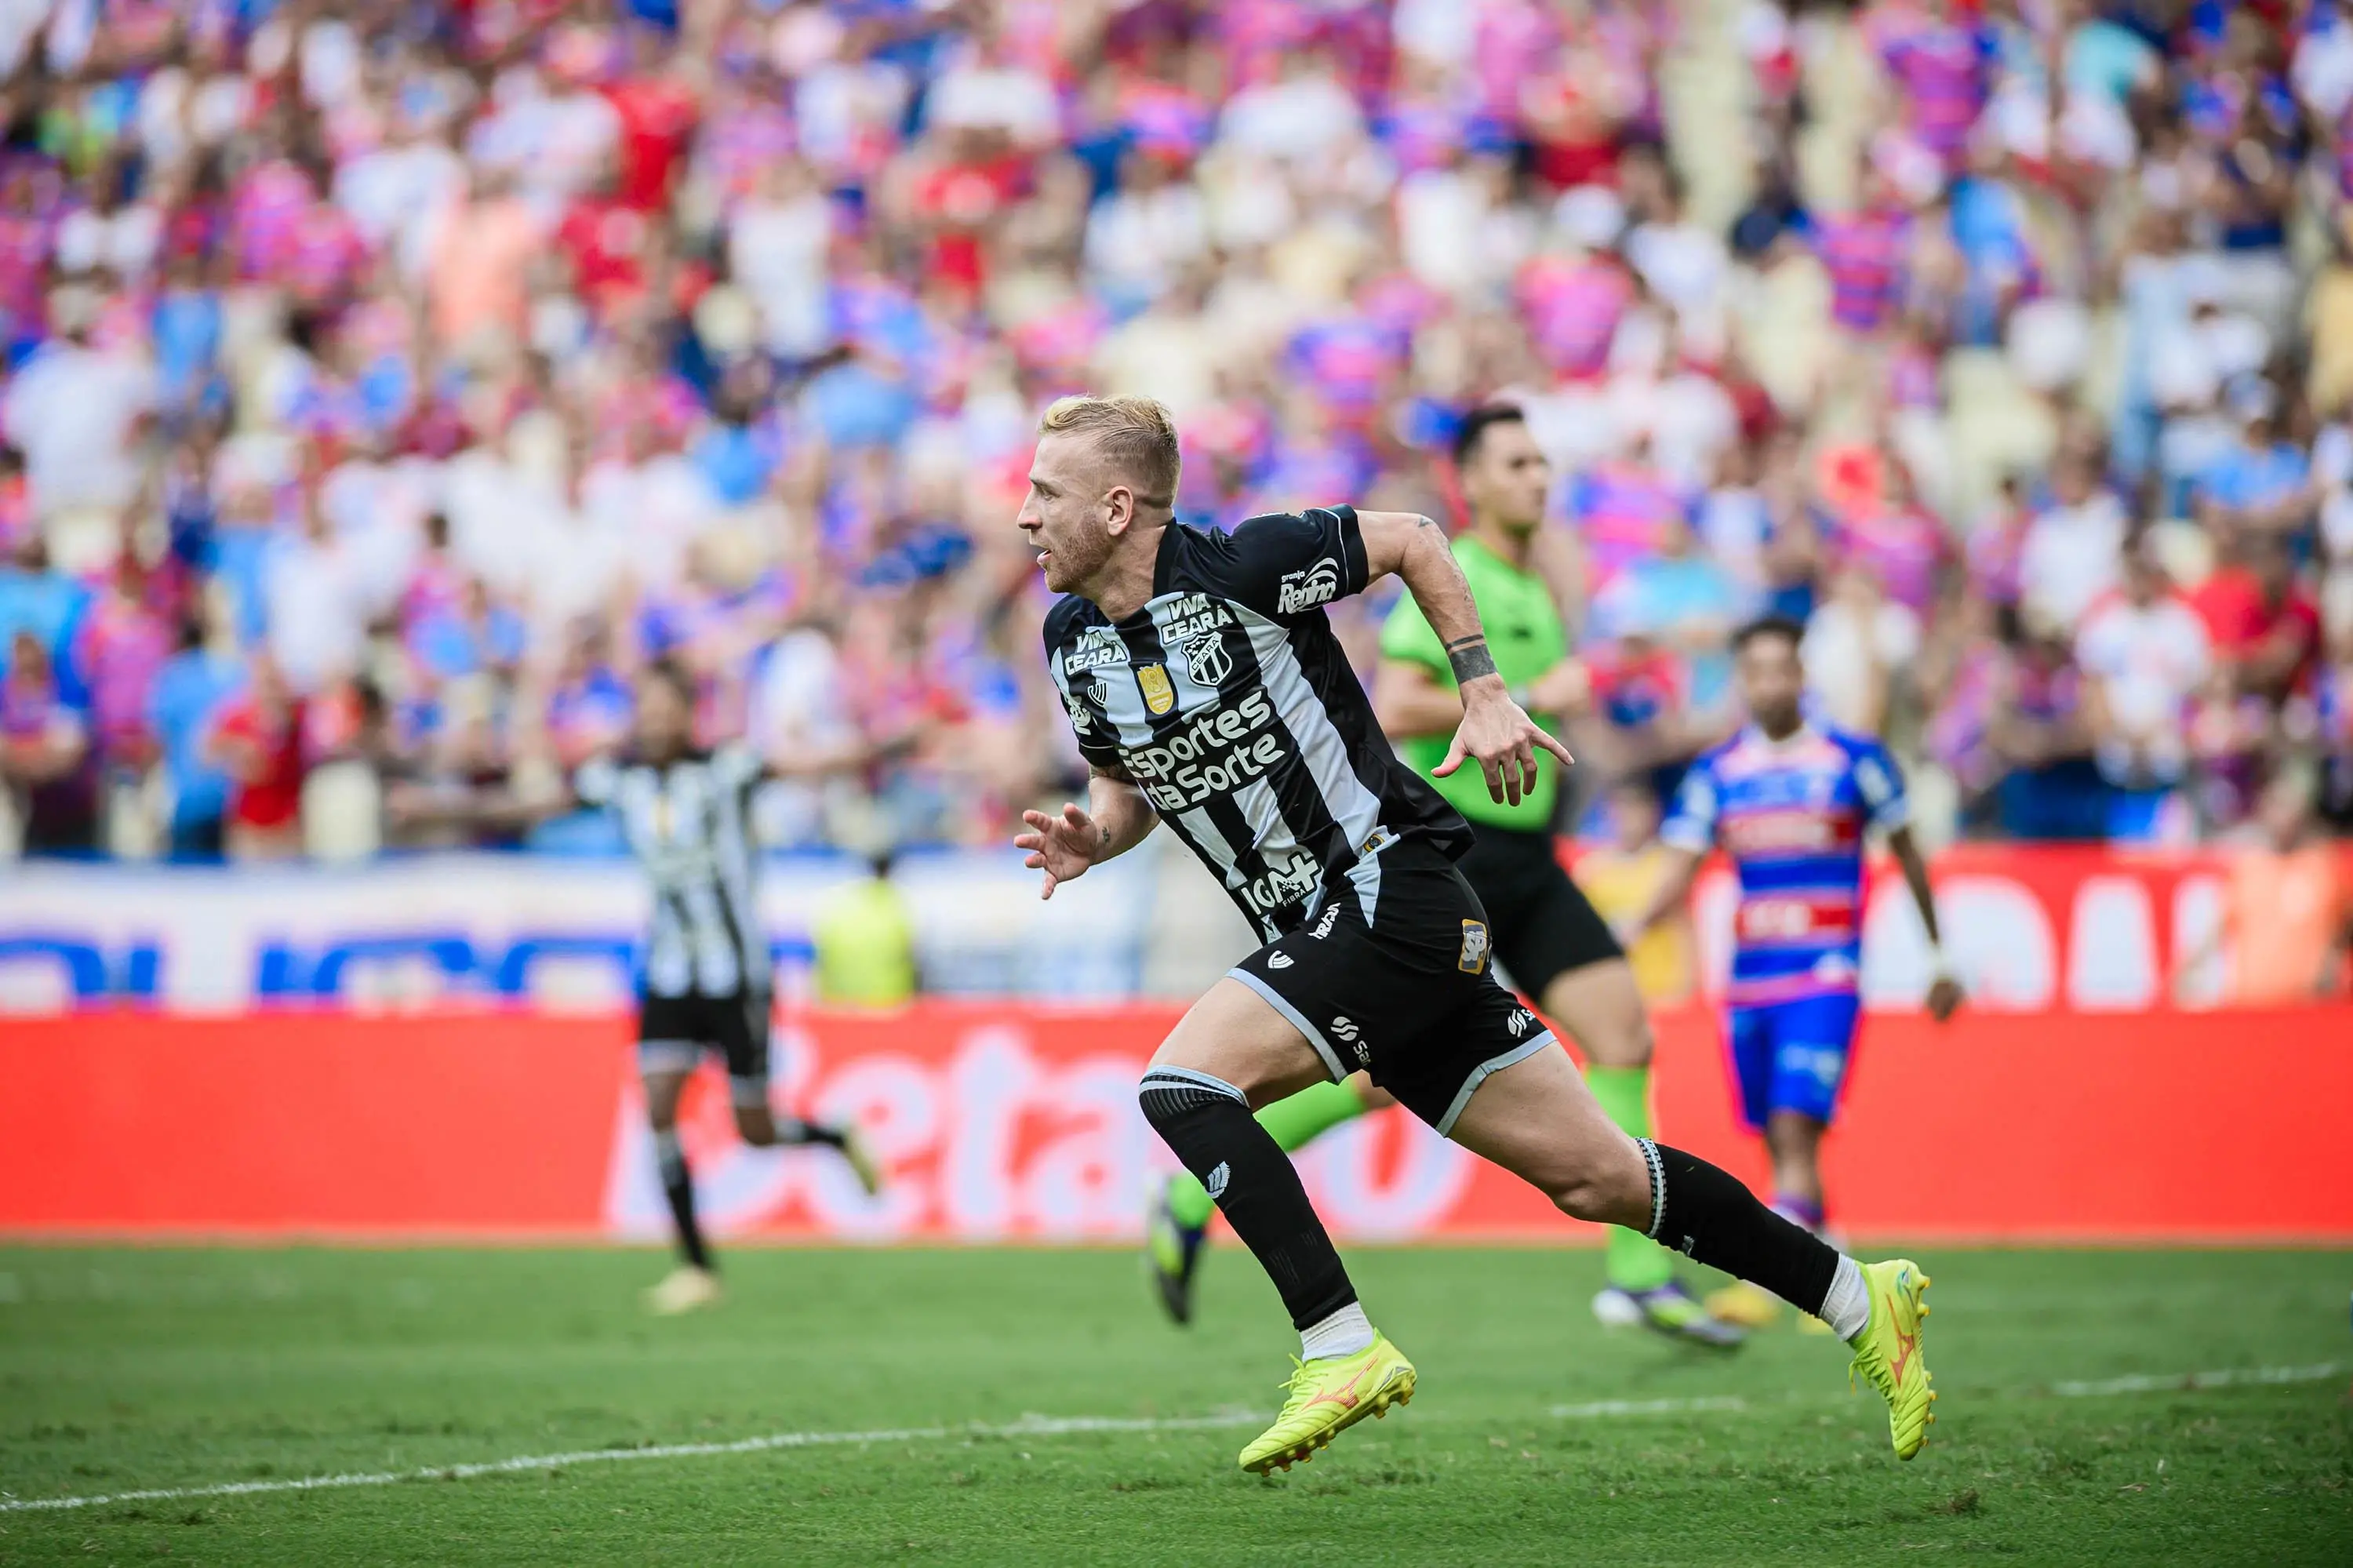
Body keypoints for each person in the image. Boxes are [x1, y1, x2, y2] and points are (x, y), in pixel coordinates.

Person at [1017, 395, 1937, 1475]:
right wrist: (1097, 838)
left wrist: (1483, 688)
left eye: (1045, 492)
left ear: (1120, 507)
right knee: (1599, 1178)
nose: (1026, 517)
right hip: (1356, 932)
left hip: (1386, 888)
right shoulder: (1074, 639)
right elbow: (1126, 792)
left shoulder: (1248, 566)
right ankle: (1857, 1293)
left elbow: (1412, 536)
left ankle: (1338, 1342)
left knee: (1183, 1086)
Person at [1143, 403, 1743, 1349]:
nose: (1538, 478)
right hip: (1450, 851)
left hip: (1532, 855)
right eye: (1517, 463)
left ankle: (1638, 1276)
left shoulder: (1536, 589)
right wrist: (1524, 692)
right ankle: (1191, 1187)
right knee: (1387, 1079)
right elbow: (1400, 696)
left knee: (1624, 1033)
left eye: (1545, 461)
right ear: (1473, 481)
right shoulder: (1460, 574)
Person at [1615, 615, 1963, 1326]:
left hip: (1825, 972)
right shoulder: (1719, 773)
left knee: (1795, 1124)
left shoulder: (1853, 760)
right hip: (1750, 981)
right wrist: (1626, 928)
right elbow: (1679, 864)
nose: (1771, 683)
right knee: (1778, 1137)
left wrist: (1939, 955)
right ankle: (1839, 1276)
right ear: (1742, 681)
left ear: (1802, 676)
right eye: (1757, 671)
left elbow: (1910, 854)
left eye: (1783, 669)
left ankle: (1770, 1280)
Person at [572, 659, 883, 1314]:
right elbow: (536, 802)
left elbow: (811, 765)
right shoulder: (616, 780)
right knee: (658, 1103)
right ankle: (696, 1266)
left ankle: (833, 1138)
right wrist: (436, 806)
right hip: (667, 972)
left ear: (688, 715)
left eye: (666, 709)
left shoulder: (727, 770)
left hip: (736, 975)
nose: (655, 721)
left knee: (755, 1131)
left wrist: (894, 742)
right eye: (647, 709)